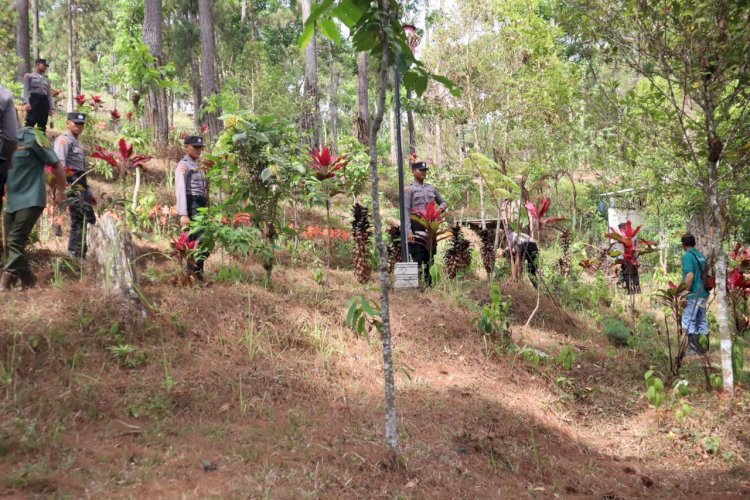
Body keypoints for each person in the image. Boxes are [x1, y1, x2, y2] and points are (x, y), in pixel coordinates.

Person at [0, 127, 66, 291]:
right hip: (11, 201)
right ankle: (29, 280)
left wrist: (62, 193)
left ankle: (6, 279)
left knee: (15, 240)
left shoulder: (32, 138)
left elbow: (57, 164)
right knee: (10, 243)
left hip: (31, 198)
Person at [54, 113, 96, 259]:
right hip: (71, 181)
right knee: (79, 216)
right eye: (76, 123)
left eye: (81, 124)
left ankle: (83, 251)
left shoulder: (76, 142)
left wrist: (88, 189)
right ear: (67, 123)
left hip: (80, 181)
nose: (79, 126)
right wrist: (64, 186)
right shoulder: (64, 140)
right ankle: (75, 253)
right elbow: (60, 164)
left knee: (89, 217)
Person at [404, 160, 447, 286]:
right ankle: (417, 285)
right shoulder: (409, 189)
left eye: (425, 170)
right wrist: (408, 231)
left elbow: (444, 202)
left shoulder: (431, 188)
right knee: (417, 254)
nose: (424, 172)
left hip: (430, 226)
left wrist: (439, 209)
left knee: (430, 254)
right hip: (416, 225)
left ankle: (429, 284)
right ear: (413, 171)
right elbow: (406, 211)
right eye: (421, 170)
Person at [175, 135, 210, 279]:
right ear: (186, 147)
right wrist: (183, 213)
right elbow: (180, 189)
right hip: (191, 204)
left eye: (200, 148)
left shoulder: (198, 165)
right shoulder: (183, 165)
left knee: (202, 239)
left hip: (201, 206)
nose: (198, 150)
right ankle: (192, 273)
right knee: (193, 240)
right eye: (195, 147)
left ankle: (198, 272)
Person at [681, 234, 710, 355]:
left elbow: (690, 275)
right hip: (703, 293)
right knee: (701, 320)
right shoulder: (701, 256)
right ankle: (704, 348)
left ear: (683, 245)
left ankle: (693, 349)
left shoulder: (688, 256)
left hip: (693, 294)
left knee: (689, 320)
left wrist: (683, 293)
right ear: (695, 243)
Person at [22, 58, 55, 132]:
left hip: (44, 101)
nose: (45, 67)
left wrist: (52, 108)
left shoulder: (46, 79)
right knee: (30, 122)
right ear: (37, 64)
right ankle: (27, 142)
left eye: (46, 66)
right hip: (34, 100)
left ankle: (41, 142)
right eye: (44, 65)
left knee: (42, 124)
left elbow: (49, 94)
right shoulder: (29, 76)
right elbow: (26, 90)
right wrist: (26, 103)